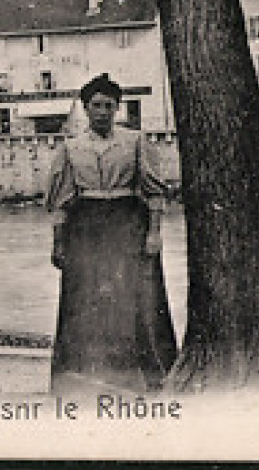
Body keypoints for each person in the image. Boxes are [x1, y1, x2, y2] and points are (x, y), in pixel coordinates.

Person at [46, 73, 179, 393]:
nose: (102, 112)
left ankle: (144, 373)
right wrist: (58, 243)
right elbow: (61, 201)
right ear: (85, 109)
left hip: (126, 224)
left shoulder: (135, 142)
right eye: (96, 106)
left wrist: (154, 233)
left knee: (134, 297)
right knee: (85, 298)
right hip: (86, 228)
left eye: (109, 106)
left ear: (118, 109)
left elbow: (154, 192)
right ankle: (82, 374)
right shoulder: (71, 148)